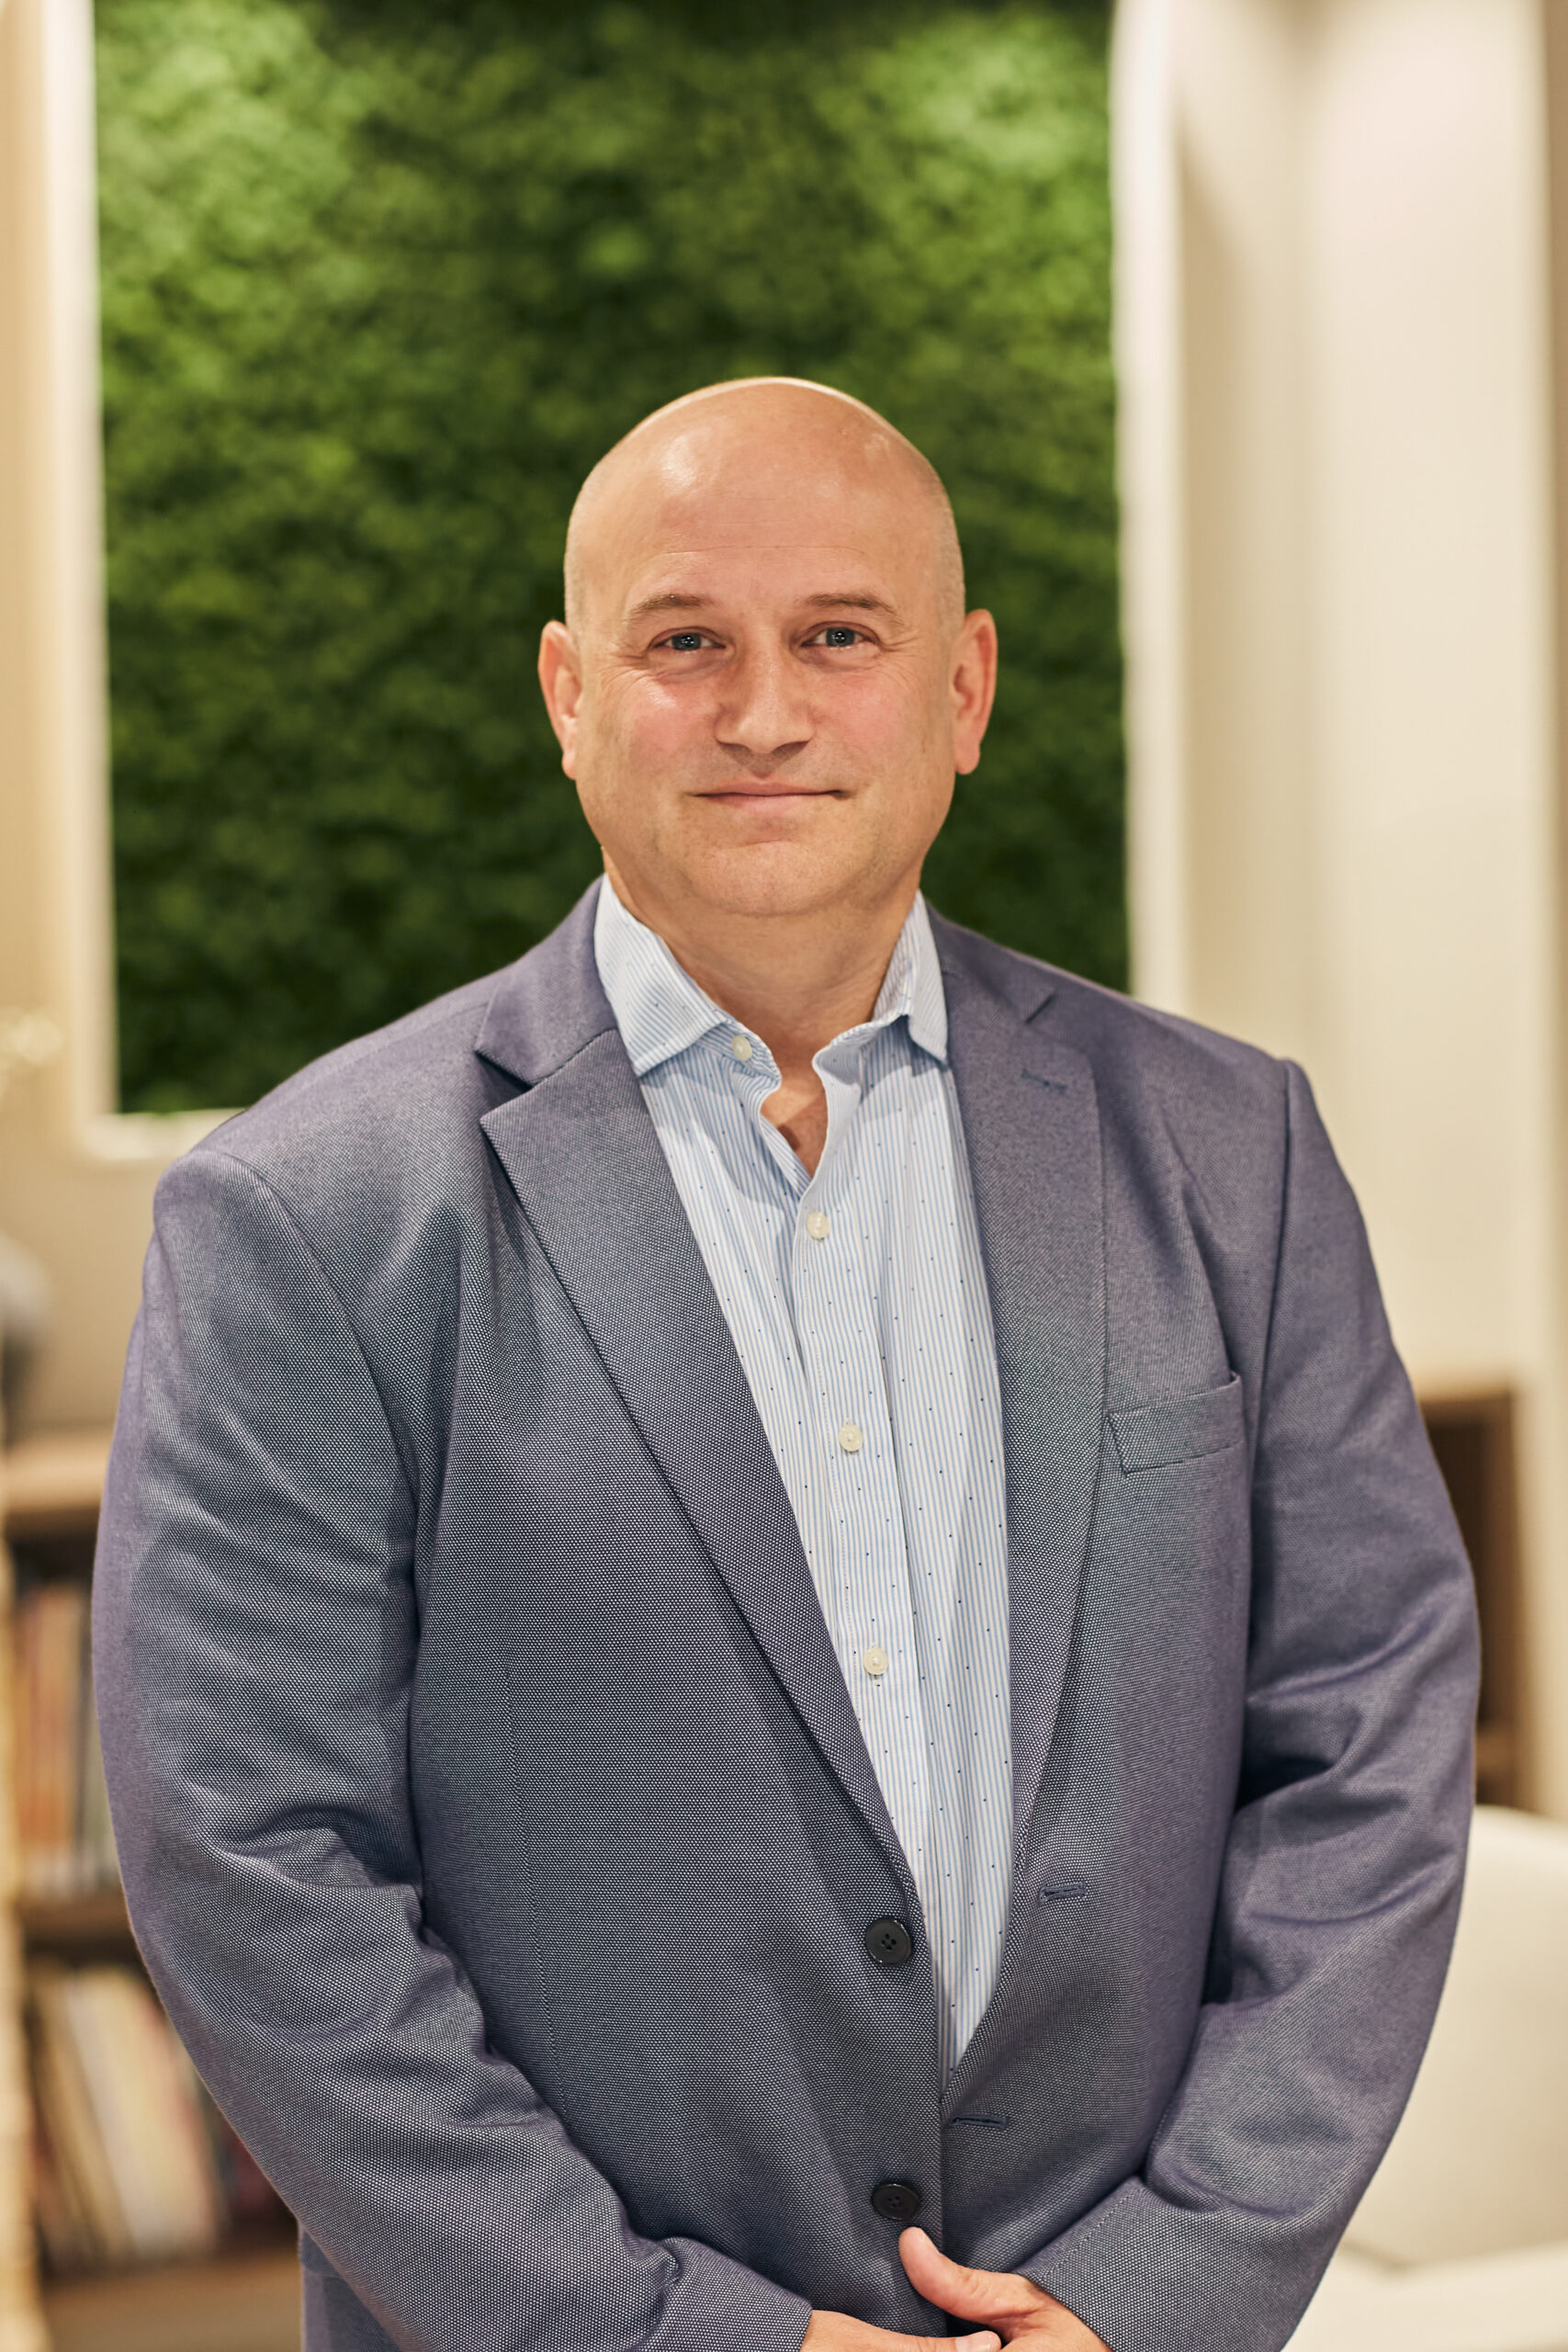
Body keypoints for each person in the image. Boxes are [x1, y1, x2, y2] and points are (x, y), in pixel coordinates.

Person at [94, 379, 1479, 2352]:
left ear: (962, 689)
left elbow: (1367, 1739)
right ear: (569, 694)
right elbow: (254, 1868)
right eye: (684, 643)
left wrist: (1157, 2293)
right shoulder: (303, 1215)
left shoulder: (1225, 1150)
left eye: (838, 634)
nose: (762, 711)